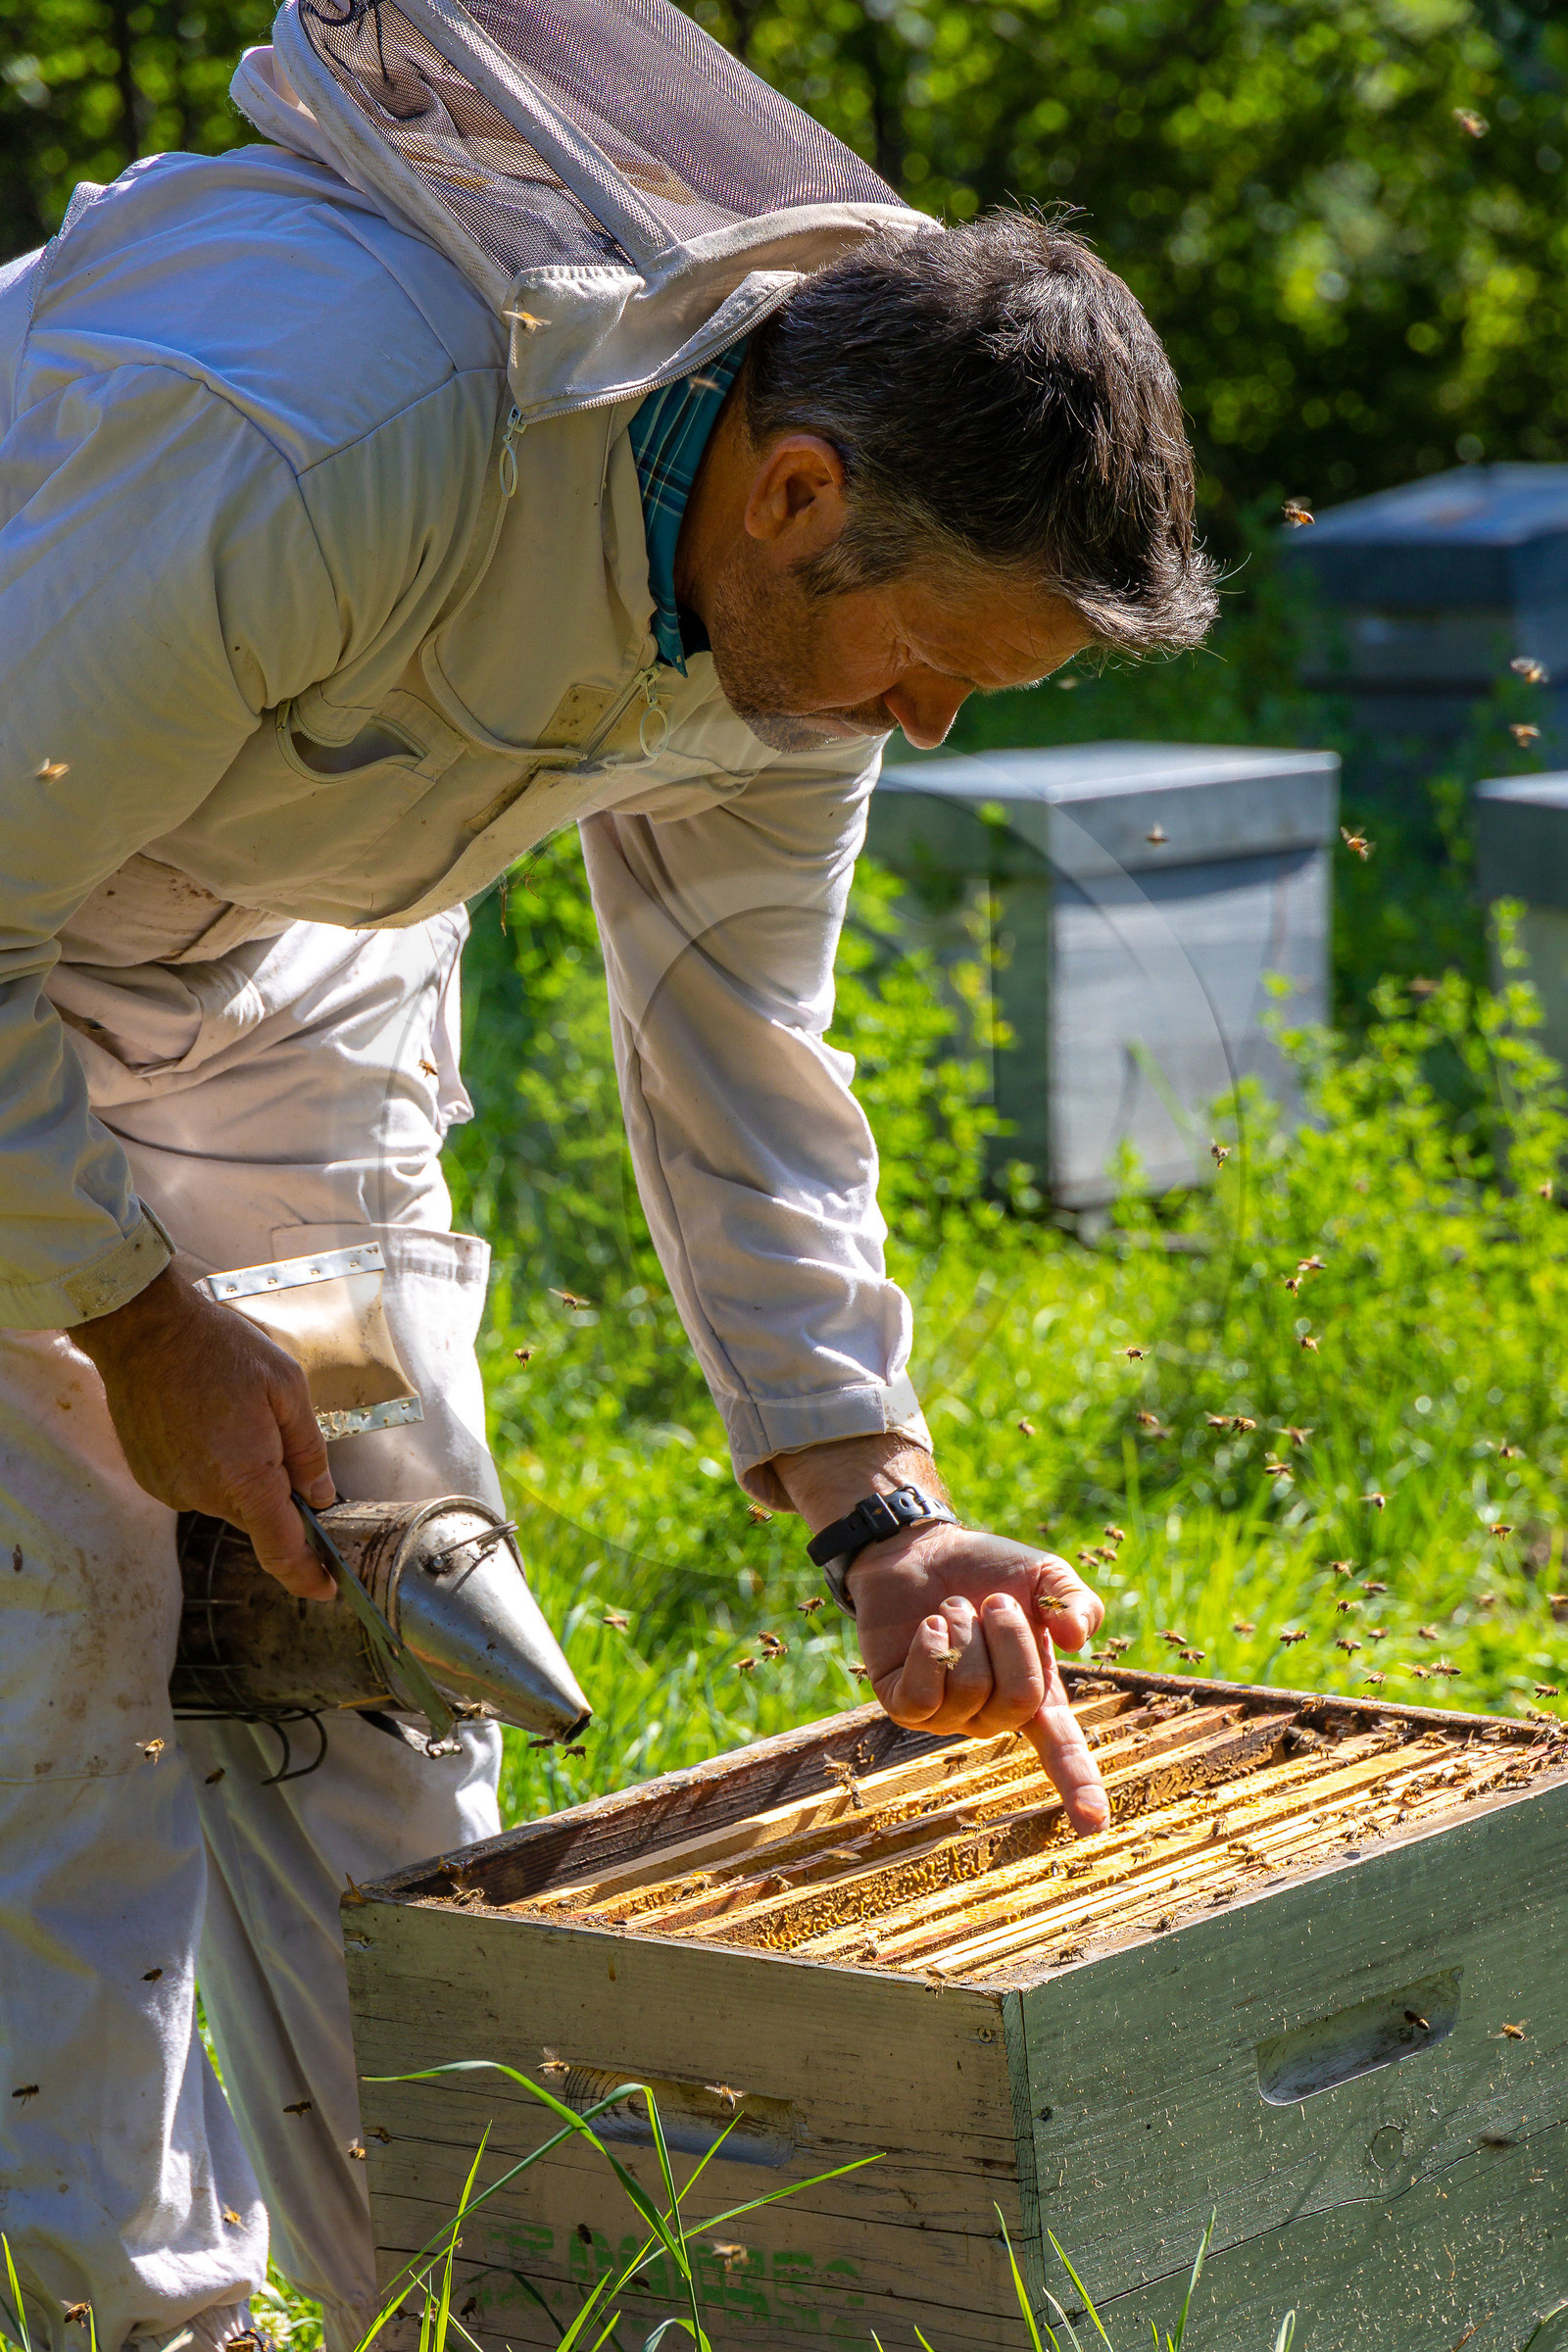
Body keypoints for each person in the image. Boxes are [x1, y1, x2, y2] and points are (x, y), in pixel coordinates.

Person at [0, 0, 1217, 2341]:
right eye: (927, 667)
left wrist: (875, 1498)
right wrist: (132, 1320)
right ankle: (143, 2321)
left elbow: (738, 1034)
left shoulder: (809, 585)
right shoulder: (317, 428)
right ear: (788, 490)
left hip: (288, 943)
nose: (925, 726)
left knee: (380, 1633)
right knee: (74, 1651)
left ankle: (469, 2286)